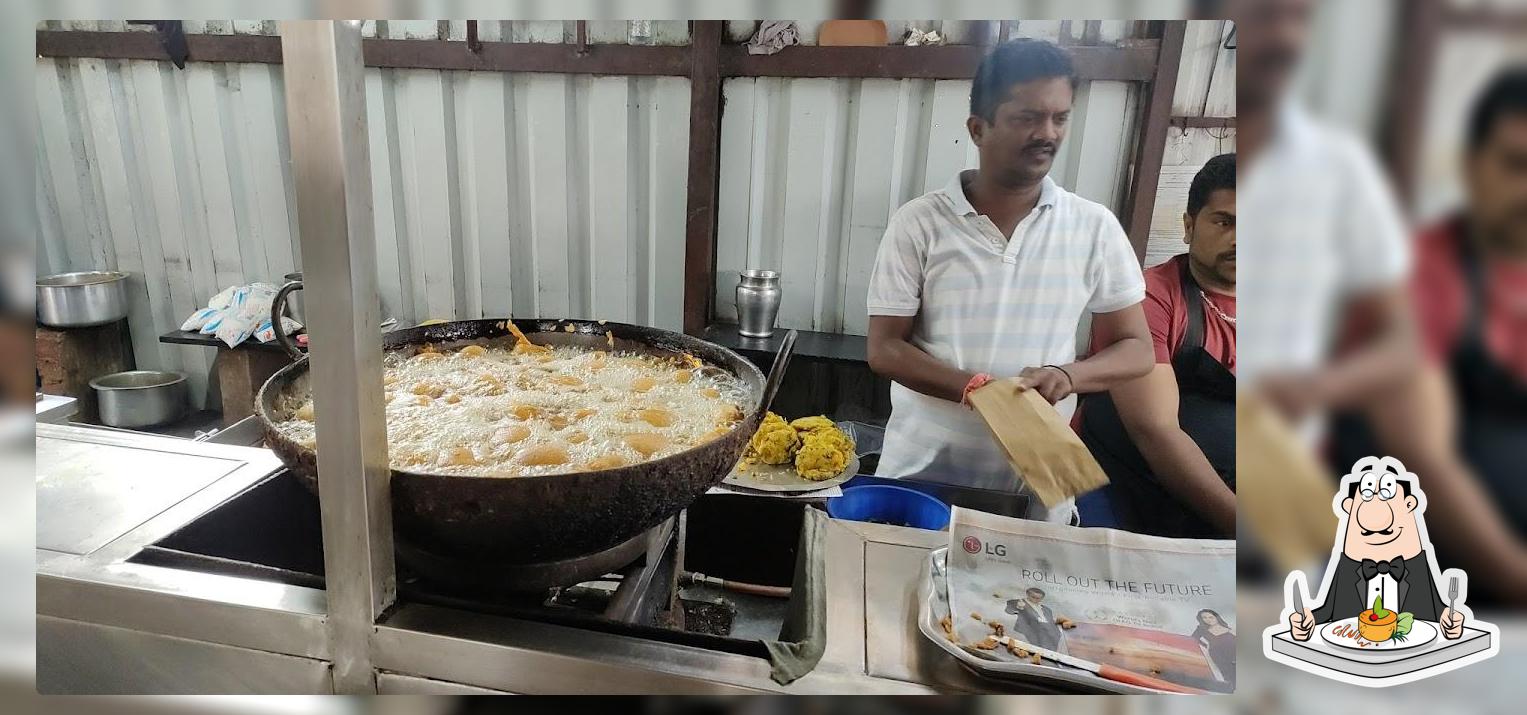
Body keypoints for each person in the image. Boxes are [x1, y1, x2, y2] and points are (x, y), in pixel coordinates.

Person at [865, 39, 1153, 522]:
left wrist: (1067, 376)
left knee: (1027, 594)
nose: (1047, 133)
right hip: (924, 473)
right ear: (978, 129)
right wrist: (977, 389)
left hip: (1041, 482)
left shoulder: (1093, 226)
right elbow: (884, 349)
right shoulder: (920, 223)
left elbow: (1137, 348)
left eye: (1059, 118)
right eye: (1026, 118)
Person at [1330, 69, 1527, 606]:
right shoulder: (1416, 273)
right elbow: (1424, 458)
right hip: (1432, 587)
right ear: (1470, 165)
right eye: (1515, 165)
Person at [1077, 154, 1236, 538]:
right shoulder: (1149, 299)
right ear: (1189, 224)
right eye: (1223, 222)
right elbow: (1156, 432)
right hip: (1125, 489)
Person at [1288, 458, 1466, 642]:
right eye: (1366, 494)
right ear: (1349, 507)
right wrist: (1307, 621)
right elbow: (1328, 611)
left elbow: (1435, 612)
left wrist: (1450, 621)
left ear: (1409, 505)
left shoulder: (1417, 565)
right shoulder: (1347, 566)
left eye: (1387, 493)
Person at [1006, 587, 1065, 652]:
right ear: (1027, 594)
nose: (1035, 600)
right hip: (1030, 628)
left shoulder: (1047, 609)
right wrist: (1019, 607)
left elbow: (1051, 621)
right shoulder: (1017, 602)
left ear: (1042, 598)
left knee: (1056, 634)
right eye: (1033, 597)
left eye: (1038, 598)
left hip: (1048, 631)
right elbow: (1009, 611)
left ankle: (1050, 653)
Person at [1191, 608, 1236, 685]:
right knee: (1231, 681)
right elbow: (1192, 640)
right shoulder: (1202, 630)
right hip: (1220, 660)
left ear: (1216, 617)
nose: (1208, 620)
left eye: (1211, 617)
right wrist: (1204, 646)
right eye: (1204, 618)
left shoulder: (1231, 630)